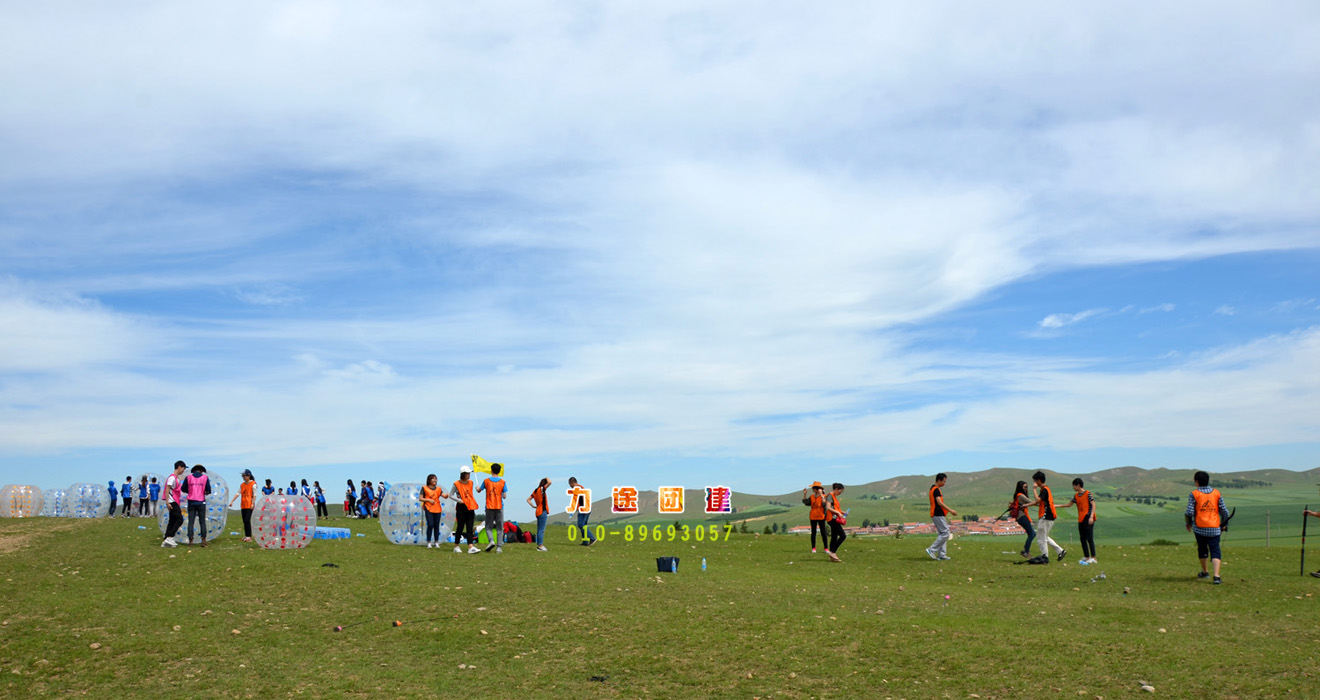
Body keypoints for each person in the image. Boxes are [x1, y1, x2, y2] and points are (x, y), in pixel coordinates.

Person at [1185, 470, 1230, 585]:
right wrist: (1225, 524)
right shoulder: (1216, 493)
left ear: (1196, 482)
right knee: (1215, 550)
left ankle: (1205, 572)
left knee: (1202, 549)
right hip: (1215, 528)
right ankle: (1216, 576)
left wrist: (1188, 523)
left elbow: (1189, 512)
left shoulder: (1194, 494)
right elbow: (1224, 511)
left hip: (1199, 528)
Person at [1027, 471, 1066, 562]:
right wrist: (1027, 505)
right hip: (1050, 516)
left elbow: (1037, 500)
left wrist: (1034, 489)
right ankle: (1060, 551)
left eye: (1035, 481)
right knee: (1044, 536)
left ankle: (1045, 557)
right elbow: (1041, 503)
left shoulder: (1044, 490)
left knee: (1041, 538)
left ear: (1039, 480)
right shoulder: (1046, 489)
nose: (1034, 483)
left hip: (1045, 516)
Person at [1058, 478, 1098, 564]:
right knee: (1082, 539)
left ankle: (1094, 558)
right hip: (1081, 519)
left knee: (1089, 538)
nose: (1073, 487)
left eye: (1074, 485)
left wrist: (1091, 517)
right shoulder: (1076, 496)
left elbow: (1093, 504)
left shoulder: (1088, 494)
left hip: (1088, 517)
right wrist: (1056, 506)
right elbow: (1069, 504)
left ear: (1078, 485)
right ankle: (1087, 557)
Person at [925, 473, 957, 561]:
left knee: (942, 533)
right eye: (943, 481)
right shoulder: (936, 490)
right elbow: (939, 502)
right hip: (937, 514)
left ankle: (942, 555)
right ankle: (931, 549)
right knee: (946, 533)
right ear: (939, 480)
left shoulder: (933, 489)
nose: (944, 483)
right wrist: (951, 510)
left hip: (936, 514)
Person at [478, 464, 509, 553]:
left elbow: (479, 490)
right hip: (499, 507)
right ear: (499, 471)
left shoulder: (486, 481)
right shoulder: (503, 482)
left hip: (489, 506)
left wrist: (477, 488)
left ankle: (491, 541)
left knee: (488, 527)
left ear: (491, 470)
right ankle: (499, 547)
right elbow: (505, 496)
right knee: (500, 527)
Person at [451, 467, 480, 553]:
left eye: (469, 473)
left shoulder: (471, 482)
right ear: (463, 474)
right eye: (467, 473)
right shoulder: (456, 484)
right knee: (460, 527)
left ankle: (470, 546)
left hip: (470, 506)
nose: (469, 475)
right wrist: (459, 500)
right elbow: (450, 495)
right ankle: (456, 546)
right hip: (461, 507)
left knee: (470, 527)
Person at [183, 465, 212, 546]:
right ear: (201, 471)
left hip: (191, 502)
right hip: (201, 502)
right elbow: (208, 490)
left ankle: (190, 541)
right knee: (202, 521)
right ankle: (203, 540)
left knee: (191, 522)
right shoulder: (205, 478)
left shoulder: (188, 477)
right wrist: (204, 492)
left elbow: (183, 488)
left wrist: (190, 491)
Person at [160, 461, 187, 547]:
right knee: (179, 519)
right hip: (172, 502)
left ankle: (166, 540)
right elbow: (167, 489)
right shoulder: (172, 478)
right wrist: (167, 502)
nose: (183, 470)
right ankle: (170, 537)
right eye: (183, 468)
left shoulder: (176, 478)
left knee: (172, 521)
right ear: (179, 467)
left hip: (174, 501)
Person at [419, 474, 448, 548]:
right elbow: (420, 498)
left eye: (436, 479)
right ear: (429, 480)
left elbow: (444, 496)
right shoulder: (424, 488)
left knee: (436, 526)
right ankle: (428, 542)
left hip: (437, 509)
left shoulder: (438, 489)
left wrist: (448, 494)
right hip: (428, 508)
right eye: (433, 479)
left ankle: (436, 542)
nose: (435, 480)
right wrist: (428, 500)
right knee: (430, 524)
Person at [802, 481, 831, 554]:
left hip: (821, 516)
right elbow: (806, 503)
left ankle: (826, 548)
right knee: (813, 533)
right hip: (813, 516)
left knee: (823, 532)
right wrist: (805, 494)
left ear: (817, 489)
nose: (812, 489)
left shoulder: (824, 496)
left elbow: (824, 504)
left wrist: (821, 495)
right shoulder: (812, 496)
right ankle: (813, 548)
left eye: (813, 488)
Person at [1009, 481, 1035, 557]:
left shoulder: (1018, 495)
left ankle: (1026, 549)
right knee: (1031, 534)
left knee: (1033, 534)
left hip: (1021, 517)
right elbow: (1031, 502)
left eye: (1026, 487)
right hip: (1022, 516)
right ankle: (1026, 551)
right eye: (1024, 487)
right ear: (1020, 487)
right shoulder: (1021, 496)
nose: (1026, 488)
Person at [568, 477, 596, 547]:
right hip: (585, 508)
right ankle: (585, 541)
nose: (570, 486)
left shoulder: (578, 489)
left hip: (584, 509)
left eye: (569, 484)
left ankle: (592, 538)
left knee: (581, 524)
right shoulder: (580, 488)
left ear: (572, 483)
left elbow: (584, 498)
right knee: (584, 525)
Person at [229, 469, 256, 542]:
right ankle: (246, 535)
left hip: (249, 504)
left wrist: (253, 503)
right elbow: (238, 493)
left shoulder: (253, 484)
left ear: (249, 476)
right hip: (243, 505)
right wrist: (232, 501)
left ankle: (249, 536)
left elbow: (254, 495)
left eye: (244, 476)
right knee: (244, 521)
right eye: (242, 476)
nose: (243, 477)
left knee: (247, 520)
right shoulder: (242, 485)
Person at [526, 478, 551, 552]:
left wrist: (533, 506)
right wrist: (546, 477)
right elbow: (550, 482)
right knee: (541, 530)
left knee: (539, 529)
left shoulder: (535, 491)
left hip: (537, 511)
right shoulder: (542, 489)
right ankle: (540, 545)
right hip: (542, 511)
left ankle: (539, 545)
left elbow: (528, 499)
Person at [824, 483, 846, 562]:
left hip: (834, 518)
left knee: (834, 537)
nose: (840, 493)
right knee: (843, 536)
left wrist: (841, 512)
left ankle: (832, 557)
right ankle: (833, 552)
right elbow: (828, 507)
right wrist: (838, 513)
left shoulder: (834, 497)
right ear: (836, 489)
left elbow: (834, 508)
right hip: (832, 519)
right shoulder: (830, 496)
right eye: (840, 491)